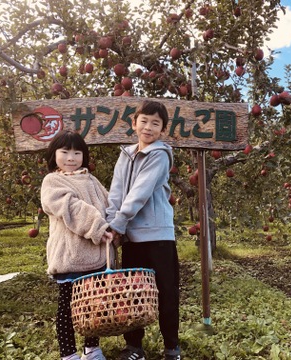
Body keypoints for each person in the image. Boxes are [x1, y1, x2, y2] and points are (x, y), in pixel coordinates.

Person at [106, 100, 180, 360]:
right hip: (132, 237)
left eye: (156, 123)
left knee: (166, 291)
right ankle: (134, 347)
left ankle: (172, 347)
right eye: (144, 121)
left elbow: (141, 191)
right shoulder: (125, 155)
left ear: (162, 130)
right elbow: (116, 192)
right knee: (133, 292)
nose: (148, 127)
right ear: (134, 123)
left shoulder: (159, 155)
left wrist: (118, 222)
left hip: (158, 235)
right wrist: (111, 220)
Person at [41, 130, 113, 360]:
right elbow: (70, 207)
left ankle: (91, 349)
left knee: (94, 308)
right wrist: (98, 227)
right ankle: (69, 354)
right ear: (54, 155)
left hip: (96, 257)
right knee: (67, 310)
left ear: (84, 156)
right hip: (69, 258)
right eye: (65, 152)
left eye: (77, 152)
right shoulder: (52, 181)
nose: (71, 157)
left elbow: (109, 203)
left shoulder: (91, 180)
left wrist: (116, 226)